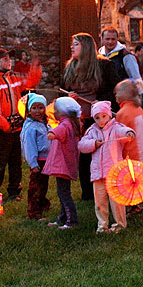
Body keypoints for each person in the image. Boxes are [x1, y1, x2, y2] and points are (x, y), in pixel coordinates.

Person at [61, 32, 120, 200]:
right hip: (77, 119)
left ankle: (107, 190)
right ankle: (87, 192)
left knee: (101, 155)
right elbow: (62, 91)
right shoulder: (70, 67)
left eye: (76, 44)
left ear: (86, 47)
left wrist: (101, 104)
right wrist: (68, 97)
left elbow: (114, 90)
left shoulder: (104, 66)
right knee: (83, 156)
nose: (71, 47)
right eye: (72, 44)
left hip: (98, 120)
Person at [0, 48, 41, 201]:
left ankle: (15, 192)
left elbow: (29, 82)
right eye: (5, 59)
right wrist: (3, 124)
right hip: (0, 129)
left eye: (9, 59)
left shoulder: (13, 77)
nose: (9, 62)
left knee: (16, 162)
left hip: (16, 127)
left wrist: (36, 70)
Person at [78, 101, 136, 234]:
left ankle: (119, 225)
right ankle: (102, 226)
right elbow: (82, 145)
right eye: (97, 117)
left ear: (109, 115)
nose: (100, 120)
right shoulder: (92, 130)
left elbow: (123, 130)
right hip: (98, 174)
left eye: (103, 116)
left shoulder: (116, 127)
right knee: (100, 203)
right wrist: (94, 143)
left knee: (117, 202)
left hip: (114, 173)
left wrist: (128, 132)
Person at [44, 97, 82, 229]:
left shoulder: (65, 124)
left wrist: (50, 130)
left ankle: (71, 220)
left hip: (62, 164)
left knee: (64, 193)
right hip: (68, 162)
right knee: (63, 192)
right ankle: (62, 218)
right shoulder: (74, 123)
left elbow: (53, 134)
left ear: (62, 112)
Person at [115, 79, 143, 215]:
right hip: (139, 151)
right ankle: (137, 204)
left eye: (117, 93)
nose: (115, 96)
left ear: (124, 95)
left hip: (128, 152)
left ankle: (131, 206)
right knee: (135, 180)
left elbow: (118, 135)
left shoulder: (123, 113)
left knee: (127, 181)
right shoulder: (138, 109)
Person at [20, 93, 51, 220]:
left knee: (43, 185)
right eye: (34, 108)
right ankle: (33, 212)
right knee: (35, 187)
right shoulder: (31, 127)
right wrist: (33, 164)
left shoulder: (43, 123)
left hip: (45, 160)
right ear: (28, 110)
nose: (38, 111)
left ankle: (43, 203)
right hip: (38, 161)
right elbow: (29, 147)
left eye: (41, 108)